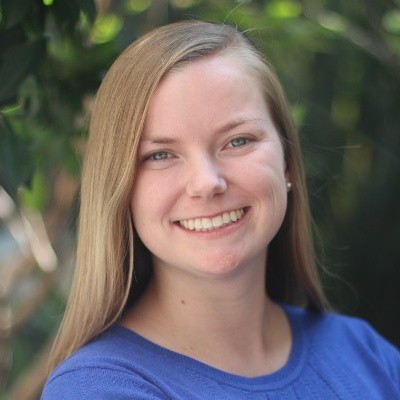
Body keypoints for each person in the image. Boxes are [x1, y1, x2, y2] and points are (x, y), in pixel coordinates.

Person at [41, 20, 400, 399]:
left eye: (238, 141)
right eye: (161, 154)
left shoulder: (367, 355)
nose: (207, 182)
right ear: (121, 189)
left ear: (288, 162)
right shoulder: (97, 389)